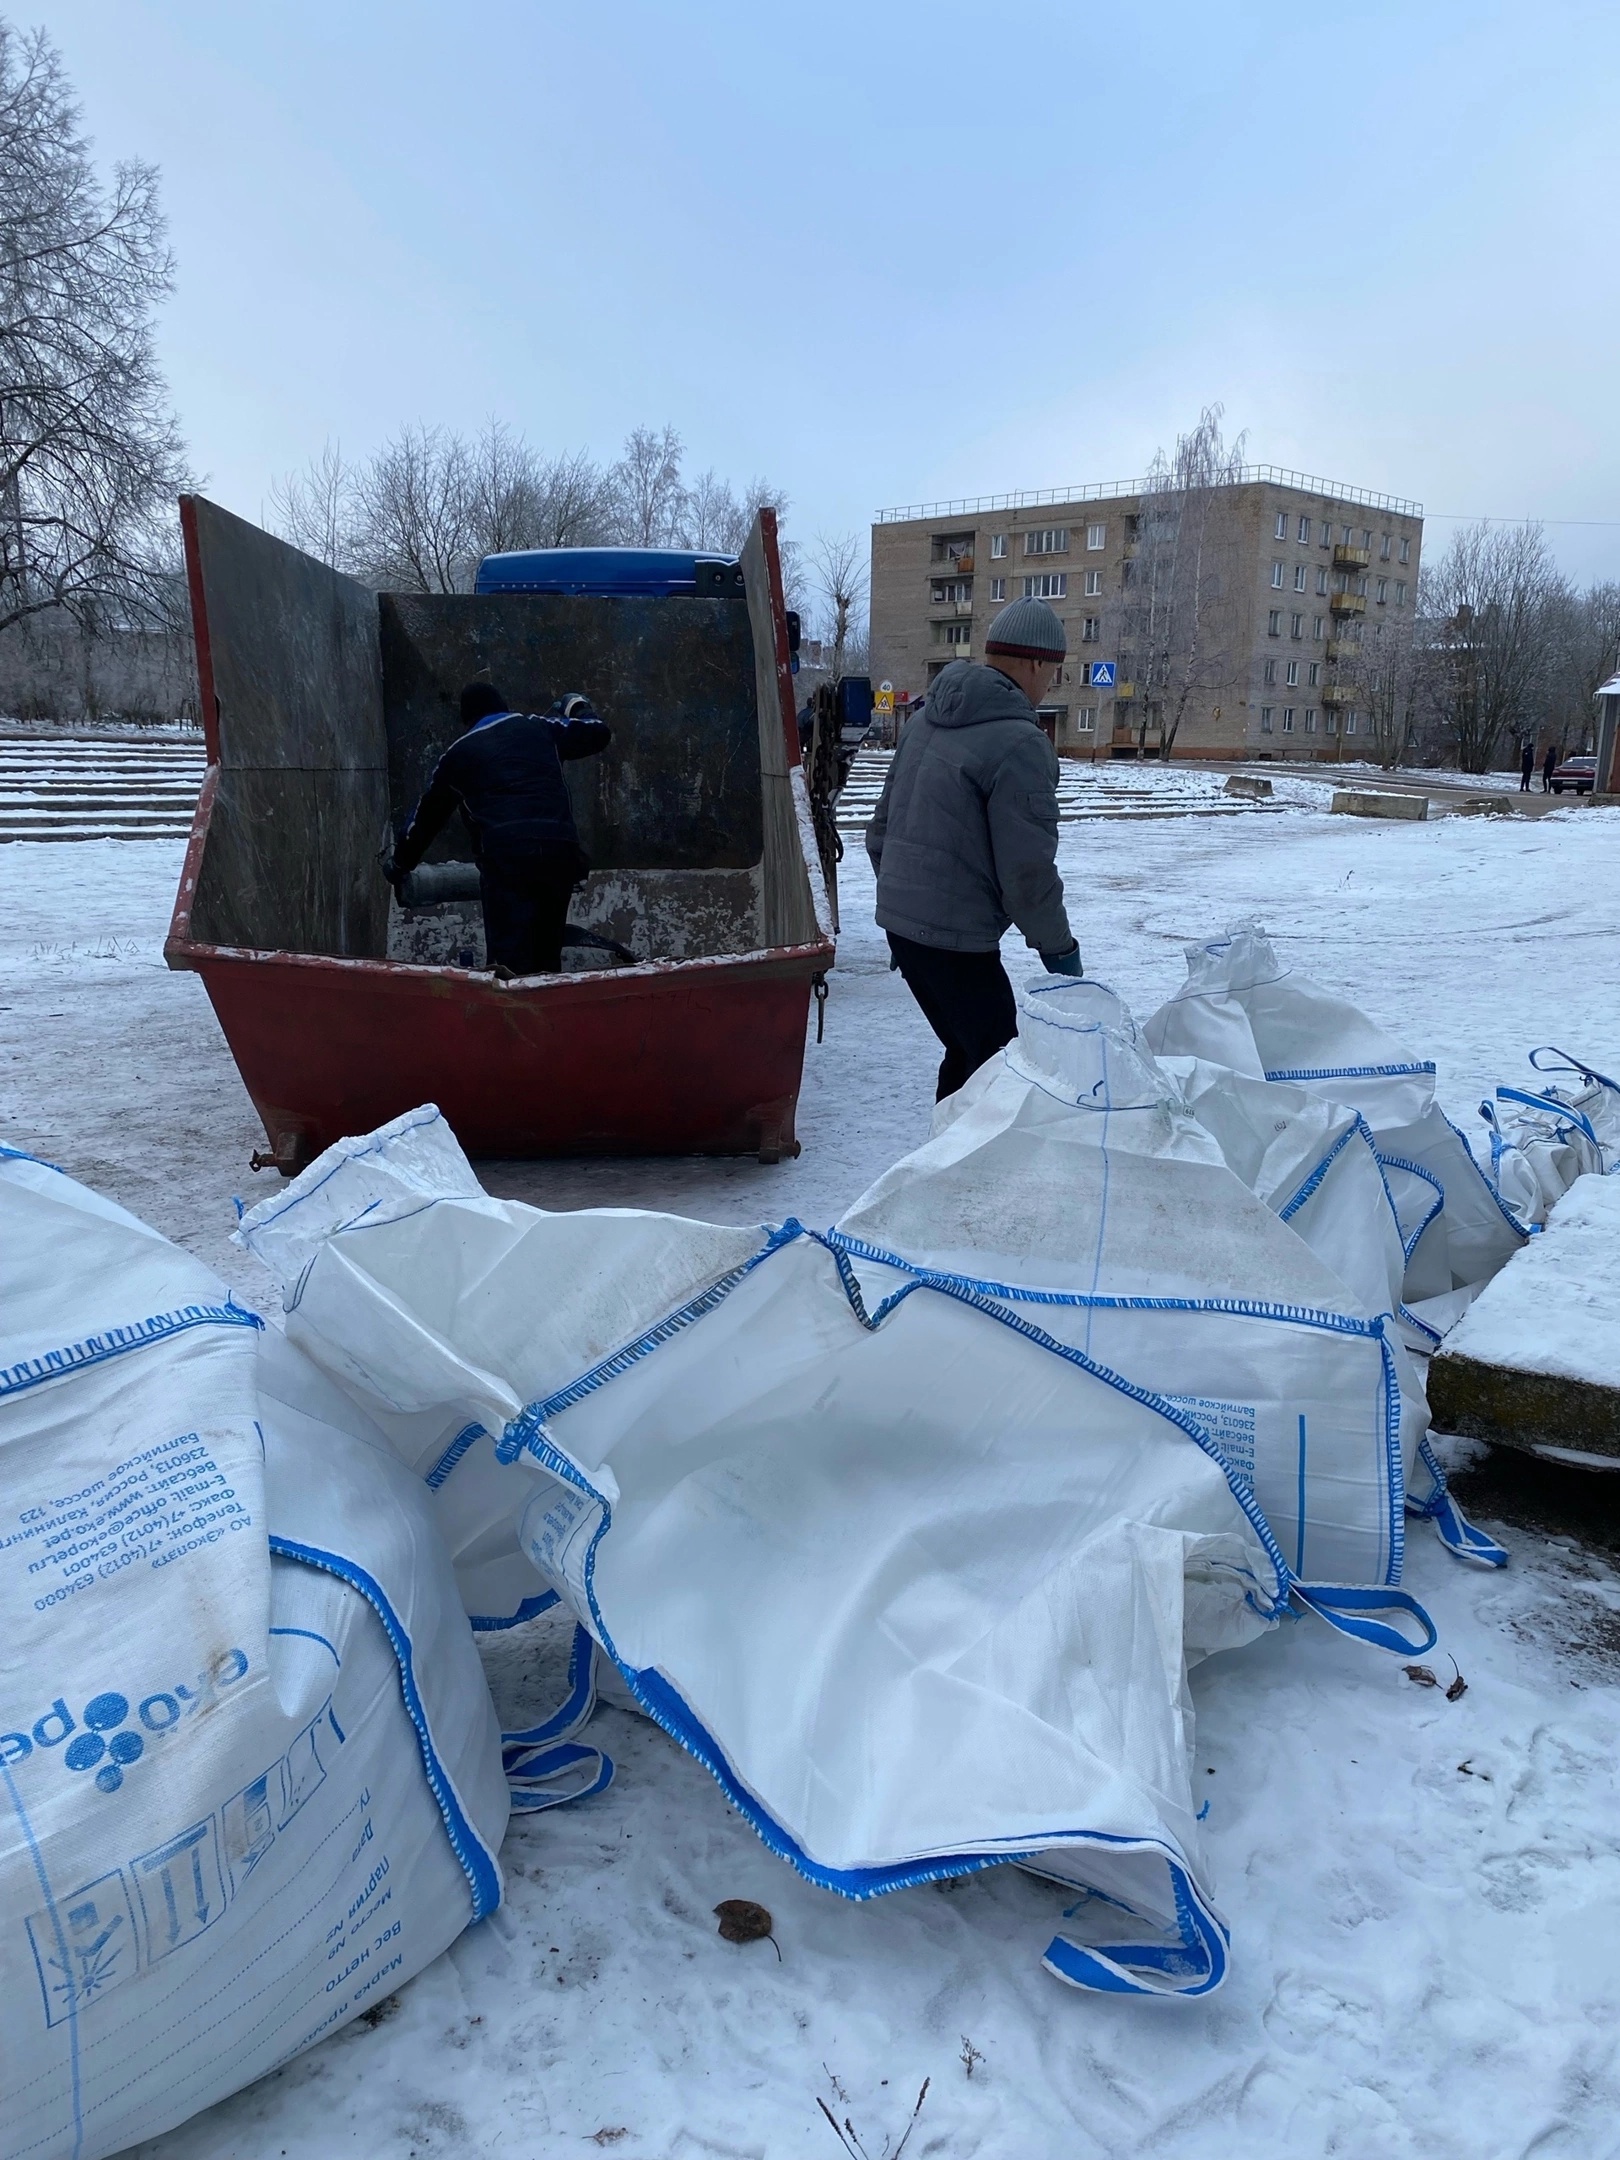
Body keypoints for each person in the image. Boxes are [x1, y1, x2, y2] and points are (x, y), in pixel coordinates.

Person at [866, 595, 1081, 1101]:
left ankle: (947, 1160)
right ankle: (967, 1175)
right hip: (953, 942)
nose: (1051, 682)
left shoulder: (922, 721)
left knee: (968, 1055)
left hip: (905, 930)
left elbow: (880, 831)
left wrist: (908, 911)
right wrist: (1060, 950)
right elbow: (1027, 872)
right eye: (1054, 670)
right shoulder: (1021, 743)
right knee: (1001, 1067)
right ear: (1034, 662)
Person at [384, 681, 612, 977]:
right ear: (504, 707)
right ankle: (547, 1017)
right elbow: (597, 732)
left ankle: (512, 1017)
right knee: (546, 956)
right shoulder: (541, 728)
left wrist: (399, 864)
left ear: (467, 720)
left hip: (507, 861)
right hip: (561, 852)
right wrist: (576, 704)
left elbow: (424, 822)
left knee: (509, 965)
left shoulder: (459, 753)